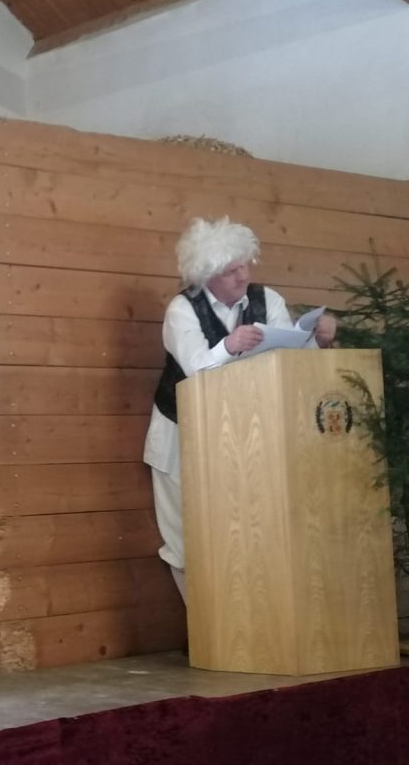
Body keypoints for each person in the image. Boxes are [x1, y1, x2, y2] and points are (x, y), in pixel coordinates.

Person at [143, 217, 337, 604]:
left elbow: (292, 361)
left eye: (245, 265)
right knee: (187, 537)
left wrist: (319, 341)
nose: (243, 276)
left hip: (246, 436)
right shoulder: (182, 309)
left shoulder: (268, 300)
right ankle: (203, 623)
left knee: (241, 532)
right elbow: (195, 368)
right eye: (231, 270)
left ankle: (239, 624)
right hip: (180, 436)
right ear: (208, 273)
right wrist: (228, 346)